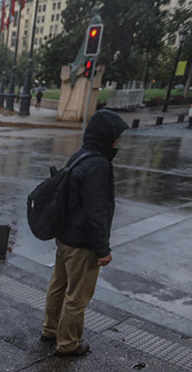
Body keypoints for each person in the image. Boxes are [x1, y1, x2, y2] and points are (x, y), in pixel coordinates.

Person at [41, 109, 128, 356]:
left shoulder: (79, 156)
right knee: (77, 296)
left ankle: (50, 329)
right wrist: (103, 249)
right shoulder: (98, 165)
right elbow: (96, 211)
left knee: (58, 286)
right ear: (106, 136)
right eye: (116, 136)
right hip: (82, 243)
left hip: (65, 237)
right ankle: (68, 344)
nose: (117, 141)